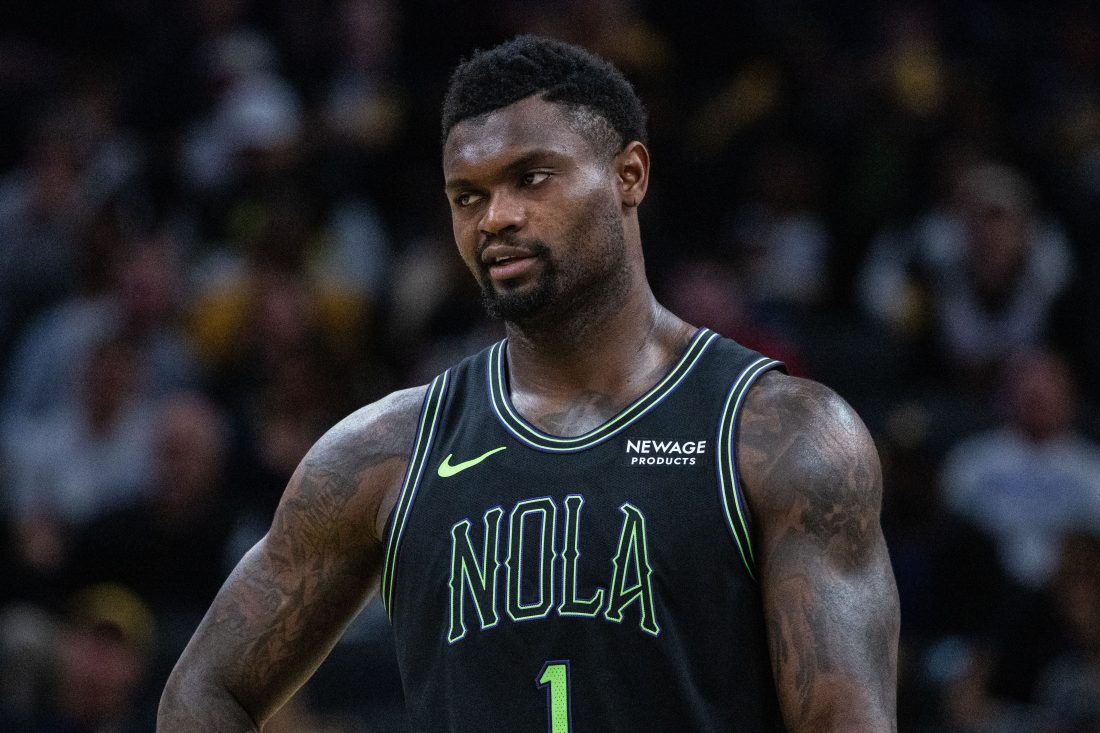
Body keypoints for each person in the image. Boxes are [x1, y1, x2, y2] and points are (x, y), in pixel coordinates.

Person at [158, 35, 899, 731]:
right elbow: (203, 690)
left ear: (628, 175)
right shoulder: (384, 451)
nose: (497, 218)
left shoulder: (780, 434)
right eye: (467, 196)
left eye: (530, 178)